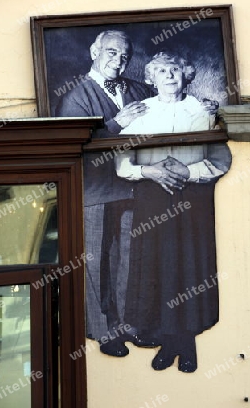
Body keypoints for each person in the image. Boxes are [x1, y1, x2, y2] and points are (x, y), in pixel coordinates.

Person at [115, 52, 232, 372]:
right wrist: (150, 173)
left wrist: (188, 173)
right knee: (158, 267)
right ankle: (167, 342)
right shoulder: (140, 113)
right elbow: (122, 162)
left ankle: (187, 343)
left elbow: (220, 160)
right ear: (151, 78)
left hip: (192, 200)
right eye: (162, 72)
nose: (169, 76)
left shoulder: (203, 111)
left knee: (191, 268)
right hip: (151, 200)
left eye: (176, 71)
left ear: (187, 76)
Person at [56, 30, 152, 357]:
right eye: (111, 52)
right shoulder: (74, 96)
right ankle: (102, 331)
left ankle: (128, 325)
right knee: (96, 263)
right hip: (94, 193)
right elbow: (73, 147)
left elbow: (168, 112)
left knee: (129, 259)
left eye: (125, 56)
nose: (118, 60)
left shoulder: (139, 89)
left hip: (134, 188)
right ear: (94, 52)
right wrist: (116, 123)